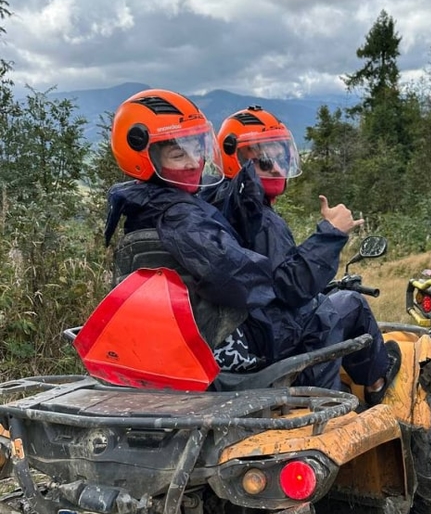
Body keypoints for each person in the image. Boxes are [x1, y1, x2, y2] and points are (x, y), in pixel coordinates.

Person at [105, 89, 398, 397]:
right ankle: (359, 393)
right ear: (141, 154)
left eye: (196, 148)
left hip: (192, 339)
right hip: (234, 345)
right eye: (178, 154)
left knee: (320, 307)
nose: (194, 162)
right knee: (336, 309)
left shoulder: (147, 208)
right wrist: (329, 235)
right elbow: (277, 286)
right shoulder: (183, 220)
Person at [216, 105, 401, 401]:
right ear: (237, 162)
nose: (277, 168)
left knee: (326, 307)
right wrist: (331, 232)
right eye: (264, 162)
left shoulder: (217, 207)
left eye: (280, 157)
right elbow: (292, 288)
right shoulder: (259, 220)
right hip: (267, 335)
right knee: (351, 303)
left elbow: (272, 278)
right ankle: (376, 384)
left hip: (239, 333)